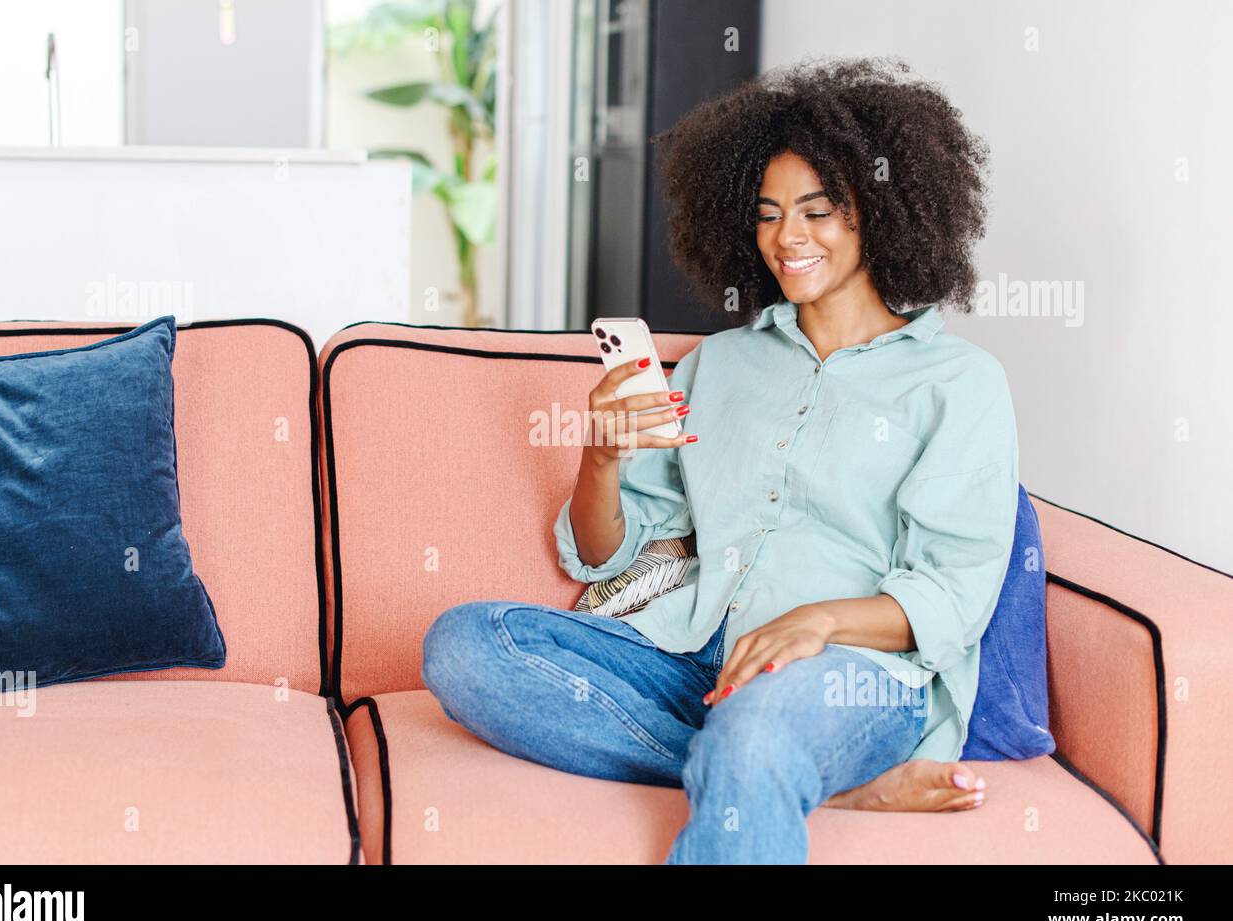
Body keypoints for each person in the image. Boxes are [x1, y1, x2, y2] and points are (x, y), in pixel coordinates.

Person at [422, 57, 1018, 863]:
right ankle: (821, 784)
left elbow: (951, 597)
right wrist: (600, 459)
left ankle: (765, 756)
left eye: (818, 211)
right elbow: (607, 554)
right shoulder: (720, 364)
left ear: (879, 209)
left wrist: (814, 621)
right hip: (691, 649)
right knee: (466, 645)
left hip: (850, 671)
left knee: (760, 726)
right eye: (769, 214)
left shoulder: (959, 384)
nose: (787, 238)